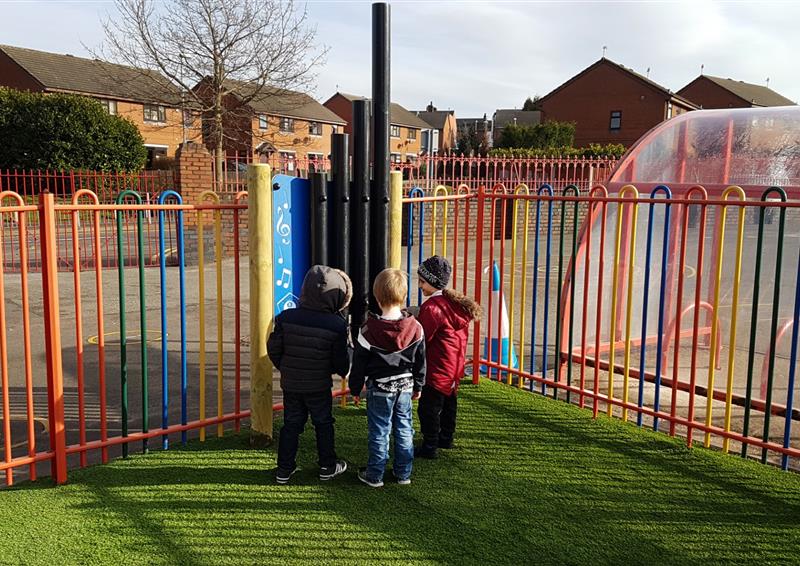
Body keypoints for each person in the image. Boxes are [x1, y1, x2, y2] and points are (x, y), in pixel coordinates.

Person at [267, 265, 352, 484]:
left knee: (291, 424)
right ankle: (327, 465)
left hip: (291, 383)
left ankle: (283, 470)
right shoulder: (337, 325)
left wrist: (286, 367)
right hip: (319, 385)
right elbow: (341, 362)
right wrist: (333, 369)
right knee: (323, 423)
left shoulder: (285, 317)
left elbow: (274, 349)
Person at [349, 268, 426, 488]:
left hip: (380, 388)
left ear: (376, 296)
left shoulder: (367, 330)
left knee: (379, 430)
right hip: (405, 386)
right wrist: (419, 385)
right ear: (403, 296)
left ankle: (375, 474)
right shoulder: (416, 327)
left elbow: (359, 365)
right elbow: (421, 361)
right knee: (404, 428)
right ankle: (403, 473)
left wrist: (355, 389)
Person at [415, 255, 481, 459]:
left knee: (428, 409)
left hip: (436, 367)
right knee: (449, 404)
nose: (419, 286)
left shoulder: (431, 309)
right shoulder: (454, 304)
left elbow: (423, 338)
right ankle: (446, 438)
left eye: (422, 281)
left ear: (432, 282)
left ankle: (429, 445)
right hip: (453, 366)